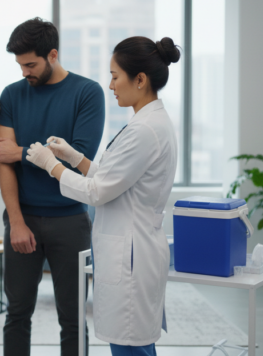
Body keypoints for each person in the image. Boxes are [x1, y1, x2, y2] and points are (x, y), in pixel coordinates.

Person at [25, 36, 180, 356]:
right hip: (134, 246)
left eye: (115, 76)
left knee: (130, 346)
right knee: (136, 343)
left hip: (131, 253)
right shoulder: (149, 121)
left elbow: (97, 192)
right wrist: (74, 158)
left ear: (140, 79)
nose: (110, 85)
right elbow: (116, 179)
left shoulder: (143, 130)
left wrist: (51, 165)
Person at [0, 17, 105, 356]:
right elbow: (4, 159)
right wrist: (15, 221)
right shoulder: (12, 95)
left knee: (72, 317)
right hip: (22, 218)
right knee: (17, 313)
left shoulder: (87, 93)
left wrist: (20, 151)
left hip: (70, 220)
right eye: (19, 64)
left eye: (30, 64)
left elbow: (77, 159)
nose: (24, 71)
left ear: (52, 55)